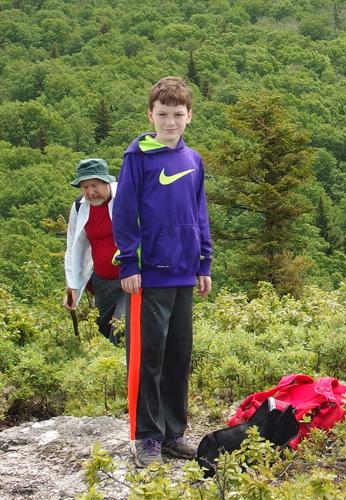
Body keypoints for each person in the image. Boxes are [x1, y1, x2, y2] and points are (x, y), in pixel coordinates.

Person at [112, 76, 212, 467]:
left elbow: (199, 213)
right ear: (150, 115)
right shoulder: (137, 158)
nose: (170, 122)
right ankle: (146, 437)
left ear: (189, 116)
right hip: (149, 274)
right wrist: (129, 262)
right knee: (147, 356)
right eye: (162, 114)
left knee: (178, 356)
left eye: (177, 114)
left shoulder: (193, 159)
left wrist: (204, 262)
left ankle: (173, 433)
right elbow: (124, 214)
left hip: (185, 273)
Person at [63, 158, 125, 345]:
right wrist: (72, 287)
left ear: (106, 182)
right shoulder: (79, 207)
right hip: (102, 281)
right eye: (85, 187)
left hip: (132, 277)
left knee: (121, 327)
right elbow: (74, 247)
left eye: (95, 185)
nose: (90, 192)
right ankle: (114, 369)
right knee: (104, 327)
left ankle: (128, 371)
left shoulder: (125, 197)